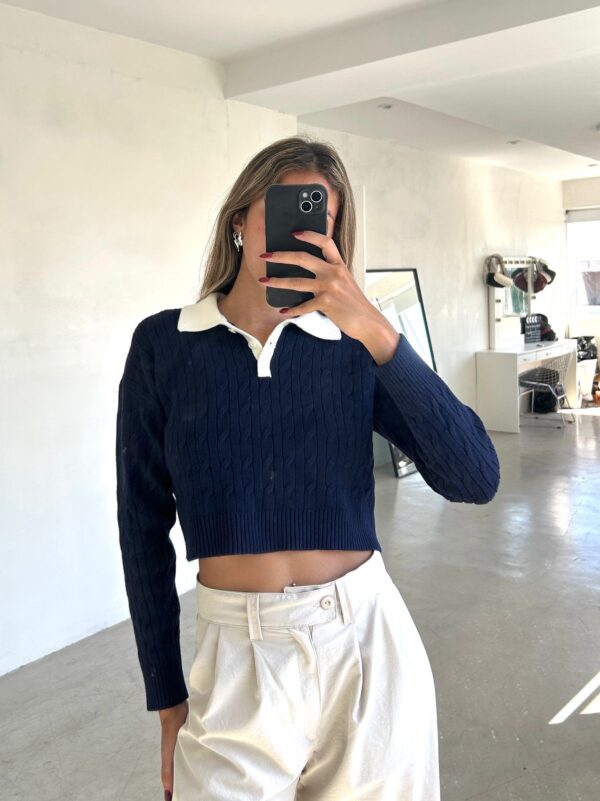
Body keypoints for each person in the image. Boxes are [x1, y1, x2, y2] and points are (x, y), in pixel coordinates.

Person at [115, 134, 501, 801]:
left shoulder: (352, 348)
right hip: (236, 655)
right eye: (283, 211)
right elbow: (140, 526)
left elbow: (475, 476)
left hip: (367, 646)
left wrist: (374, 328)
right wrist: (167, 696)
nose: (298, 237)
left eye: (317, 223)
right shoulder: (164, 345)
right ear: (240, 219)